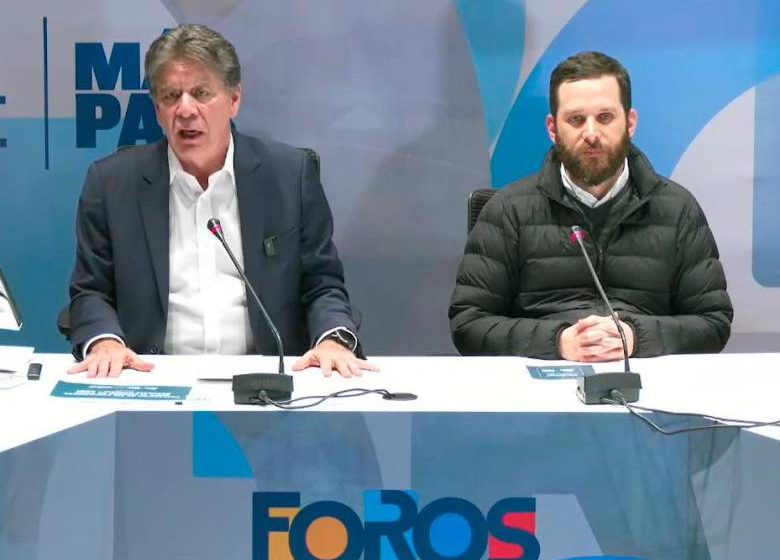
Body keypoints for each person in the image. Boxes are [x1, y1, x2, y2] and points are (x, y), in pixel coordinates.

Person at [67, 24, 376, 378]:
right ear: (156, 109)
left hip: (267, 380)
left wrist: (333, 340)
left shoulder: (289, 176)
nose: (185, 109)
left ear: (234, 99)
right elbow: (91, 290)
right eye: (171, 96)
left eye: (201, 93)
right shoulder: (111, 183)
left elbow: (322, 284)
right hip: (151, 377)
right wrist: (105, 342)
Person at [449, 51, 733, 362]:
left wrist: (635, 337)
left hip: (646, 375)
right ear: (552, 128)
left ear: (630, 123)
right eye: (576, 119)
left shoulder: (677, 209)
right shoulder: (508, 210)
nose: (591, 133)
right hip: (544, 377)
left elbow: (713, 322)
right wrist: (558, 342)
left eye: (605, 117)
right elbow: (468, 324)